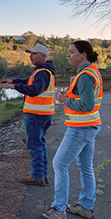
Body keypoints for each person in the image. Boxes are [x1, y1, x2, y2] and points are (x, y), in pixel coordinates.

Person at [42, 41, 102, 219]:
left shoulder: (85, 75)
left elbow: (87, 105)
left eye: (72, 52)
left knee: (59, 164)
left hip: (81, 128)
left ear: (83, 54)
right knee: (85, 167)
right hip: (89, 126)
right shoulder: (90, 71)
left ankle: (59, 209)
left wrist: (63, 99)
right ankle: (85, 207)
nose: (68, 55)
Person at [0, 43, 55, 186]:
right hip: (43, 114)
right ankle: (42, 175)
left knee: (35, 145)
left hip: (36, 115)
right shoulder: (44, 71)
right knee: (40, 145)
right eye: (31, 53)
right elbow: (30, 82)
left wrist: (14, 86)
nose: (30, 56)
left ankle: (37, 176)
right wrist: (15, 81)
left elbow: (35, 89)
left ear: (43, 56)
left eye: (34, 54)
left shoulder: (42, 72)